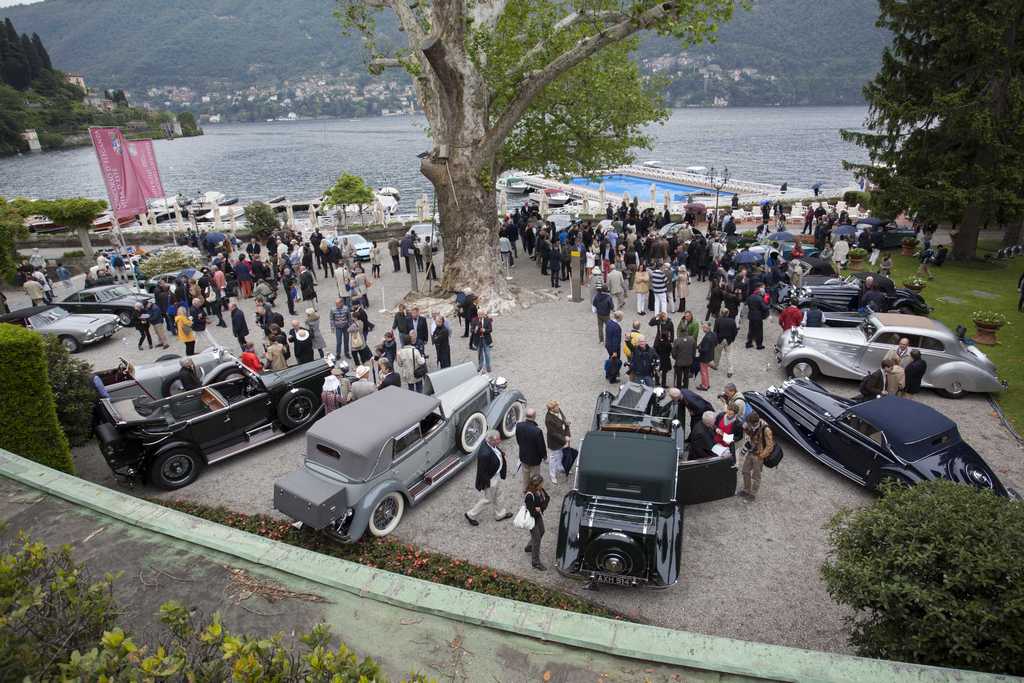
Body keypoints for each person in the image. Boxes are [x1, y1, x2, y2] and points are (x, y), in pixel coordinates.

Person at [464, 430, 513, 527]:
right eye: (497, 440)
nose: (499, 441)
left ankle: (500, 514)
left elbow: (495, 451)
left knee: (499, 494)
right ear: (490, 440)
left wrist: (501, 454)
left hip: (496, 475)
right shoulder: (484, 454)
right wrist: (489, 483)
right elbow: (482, 472)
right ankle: (471, 514)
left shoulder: (490, 445)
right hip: (491, 479)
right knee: (487, 499)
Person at [738, 412, 773, 502]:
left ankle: (753, 494)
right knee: (745, 471)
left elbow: (770, 446)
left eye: (749, 423)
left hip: (759, 455)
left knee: (756, 476)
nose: (747, 424)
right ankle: (746, 490)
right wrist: (746, 430)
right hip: (751, 452)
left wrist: (761, 456)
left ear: (754, 423)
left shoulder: (766, 429)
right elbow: (750, 435)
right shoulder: (751, 425)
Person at [523, 474, 550, 571]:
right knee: (537, 538)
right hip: (532, 519)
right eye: (541, 483)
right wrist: (538, 510)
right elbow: (531, 512)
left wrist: (541, 508)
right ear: (537, 485)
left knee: (542, 531)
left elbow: (547, 498)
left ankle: (530, 546)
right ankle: (535, 562)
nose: (543, 484)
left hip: (538, 516)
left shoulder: (540, 490)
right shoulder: (529, 496)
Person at [516, 408, 547, 492]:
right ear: (534, 416)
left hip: (523, 457)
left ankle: (525, 489)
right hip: (534, 460)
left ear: (526, 416)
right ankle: (533, 492)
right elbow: (541, 447)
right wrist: (544, 456)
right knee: (535, 477)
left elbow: (518, 441)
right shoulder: (537, 431)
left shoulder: (518, 426)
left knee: (525, 475)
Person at [544, 400, 570, 485]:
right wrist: (564, 440)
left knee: (561, 454)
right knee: (553, 458)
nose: (558, 407)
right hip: (554, 442)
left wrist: (567, 434)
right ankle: (552, 475)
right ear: (551, 409)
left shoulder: (558, 410)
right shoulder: (548, 419)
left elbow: (565, 422)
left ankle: (560, 467)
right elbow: (553, 433)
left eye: (558, 406)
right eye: (556, 407)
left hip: (563, 438)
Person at [745, 284, 769, 350]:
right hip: (758, 317)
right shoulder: (760, 299)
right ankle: (759, 345)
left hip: (751, 315)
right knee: (759, 332)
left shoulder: (751, 296)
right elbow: (764, 307)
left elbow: (746, 303)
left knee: (751, 330)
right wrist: (768, 306)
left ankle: (749, 343)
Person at [697, 322, 717, 391]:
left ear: (707, 328)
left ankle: (704, 386)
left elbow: (704, 349)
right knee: (706, 371)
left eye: (704, 327)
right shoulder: (713, 334)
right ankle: (707, 384)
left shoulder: (707, 337)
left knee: (704, 372)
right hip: (710, 356)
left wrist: (699, 349)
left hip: (704, 357)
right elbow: (715, 344)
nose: (703, 329)